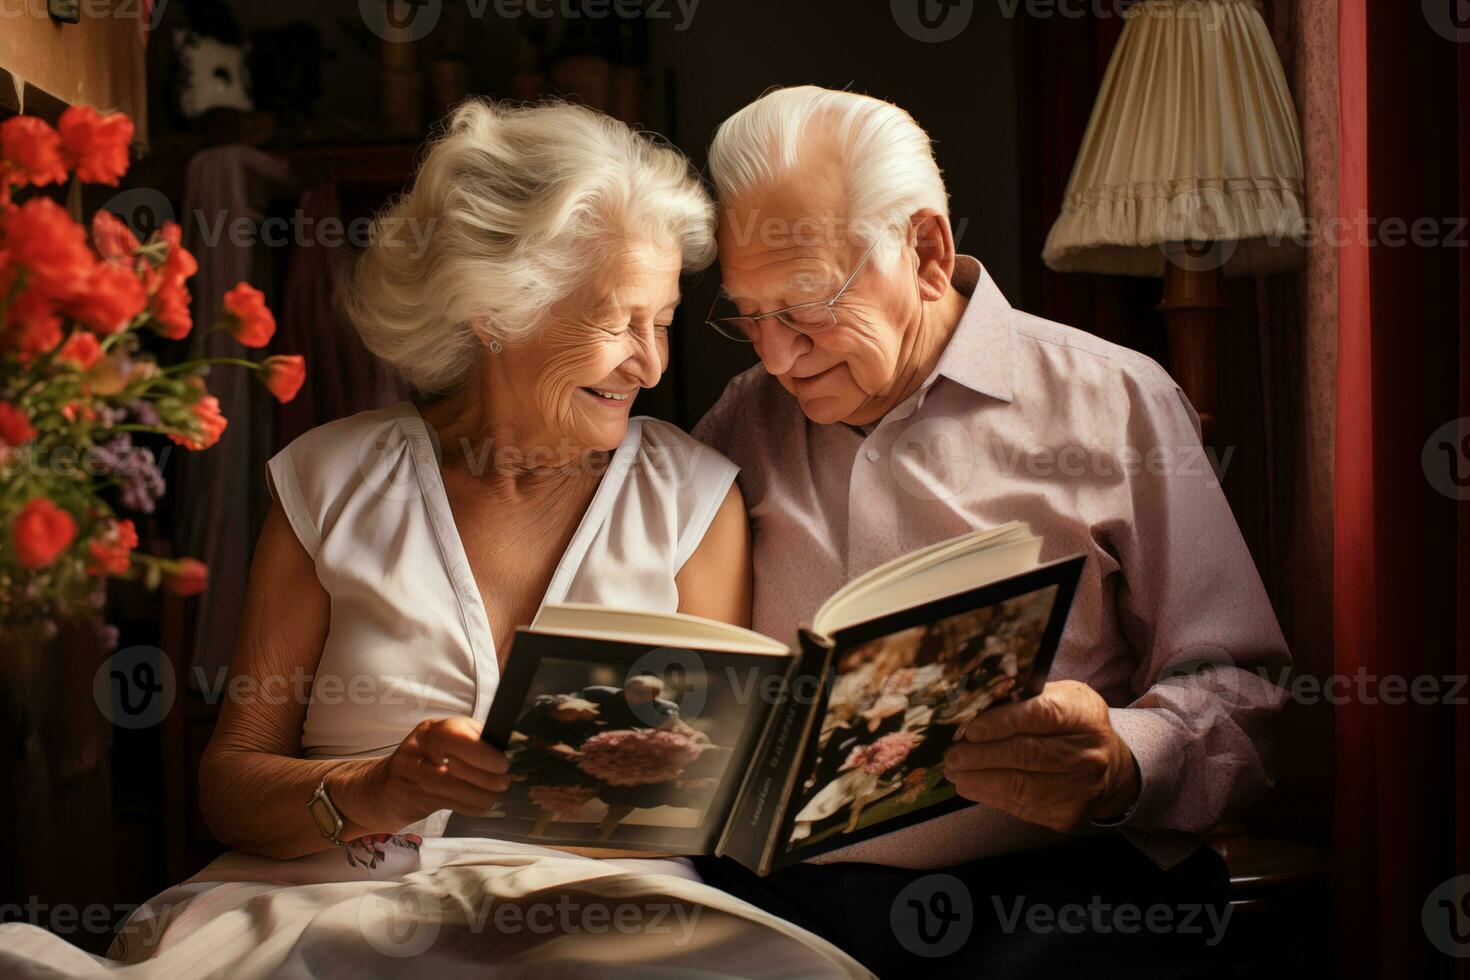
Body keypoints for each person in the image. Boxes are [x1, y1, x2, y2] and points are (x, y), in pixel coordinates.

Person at [0, 100, 870, 980]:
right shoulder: (331, 481)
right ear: (498, 309)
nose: (651, 364)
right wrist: (373, 789)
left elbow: (714, 795)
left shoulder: (693, 500)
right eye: (618, 322)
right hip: (336, 907)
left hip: (609, 922)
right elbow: (229, 789)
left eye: (664, 321)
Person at [691, 85, 1291, 978]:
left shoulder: (1115, 401)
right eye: (750, 312)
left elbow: (1242, 687)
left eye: (808, 302)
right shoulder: (740, 422)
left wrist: (1125, 761)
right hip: (792, 910)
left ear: (927, 251)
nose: (777, 356)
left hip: (1055, 896)